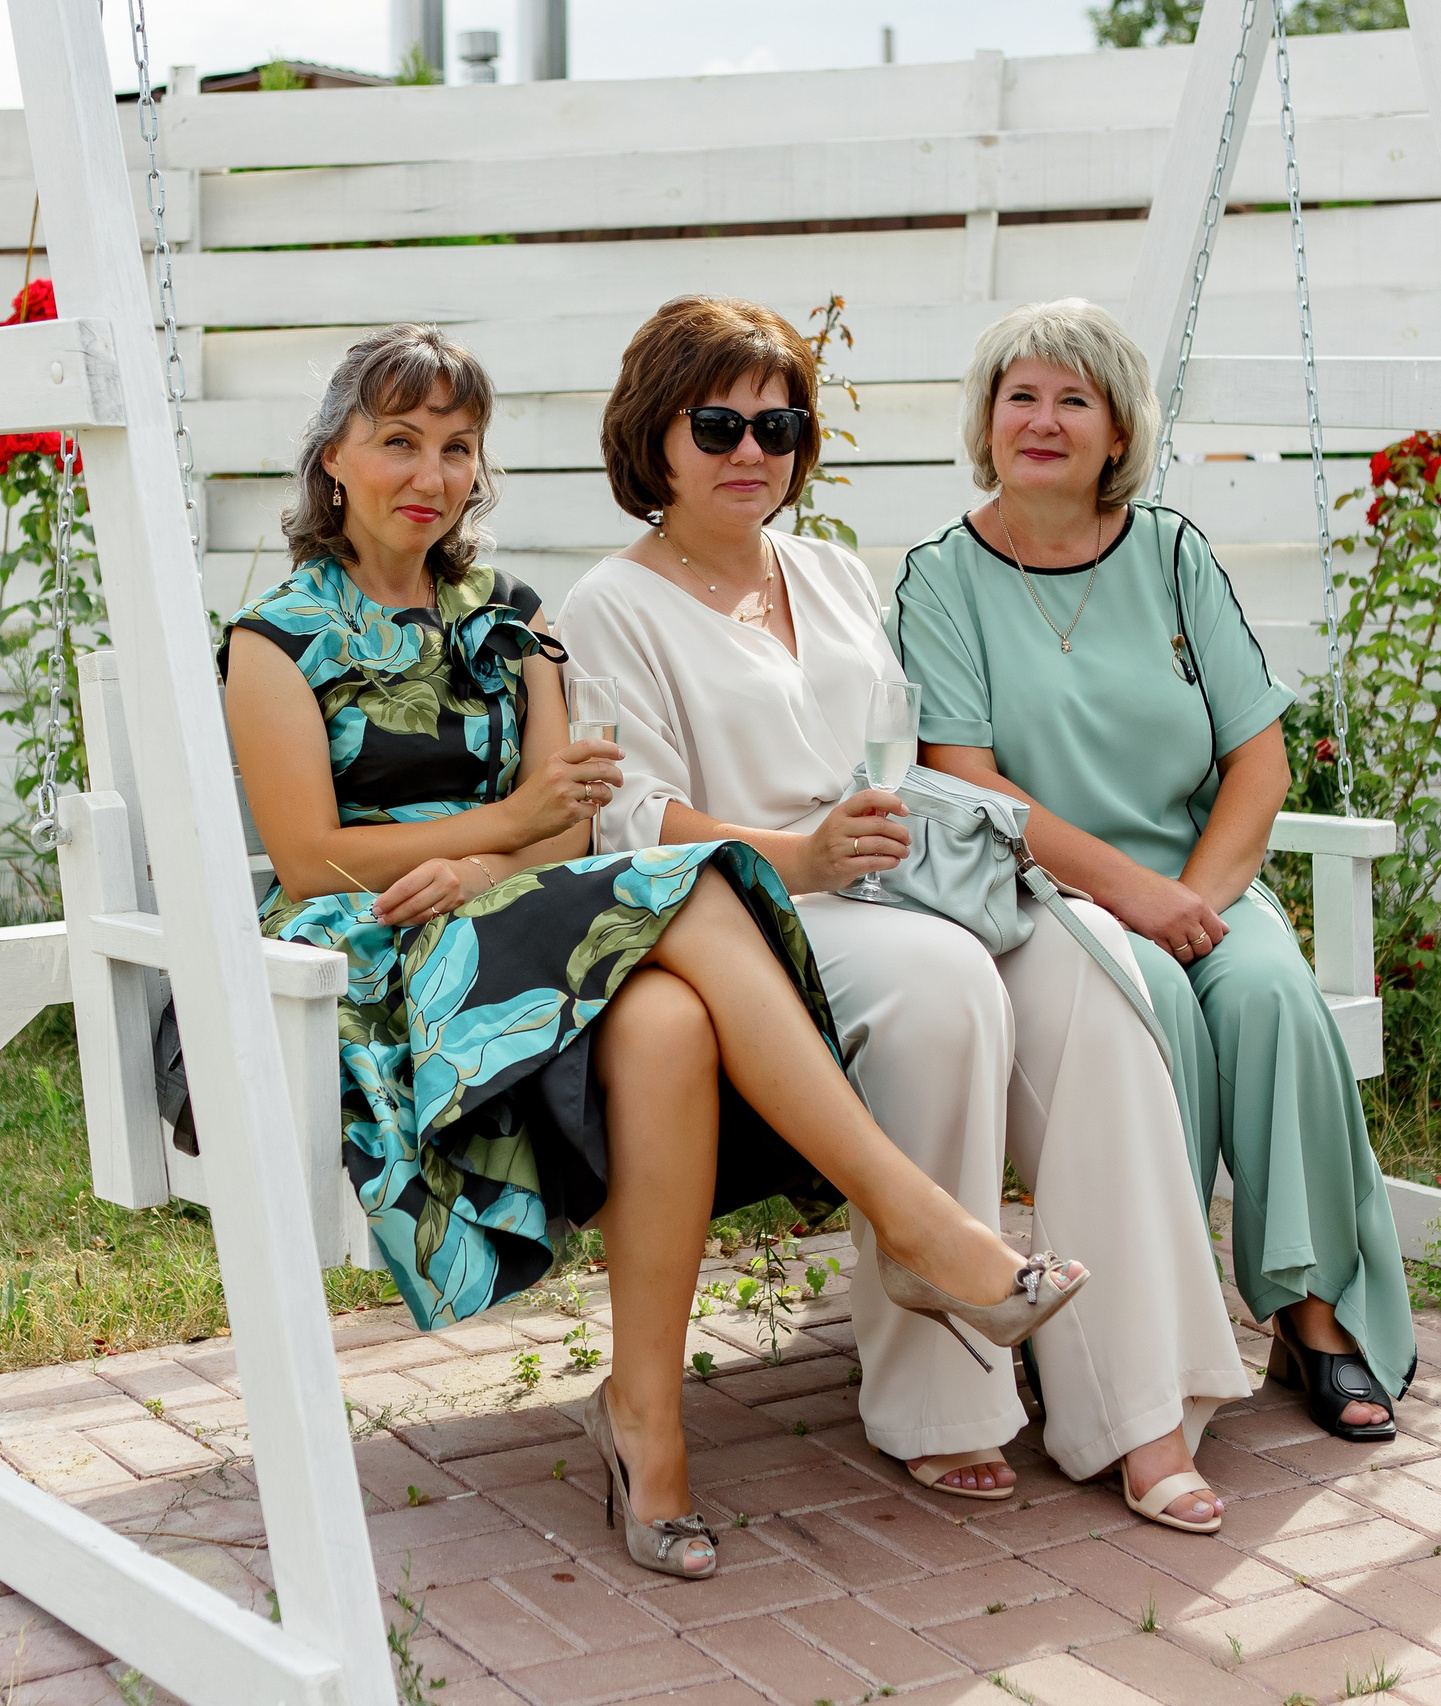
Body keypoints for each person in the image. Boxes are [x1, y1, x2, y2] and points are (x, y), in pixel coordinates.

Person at [223, 323, 1085, 1583]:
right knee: (698, 879)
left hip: (521, 912)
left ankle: (645, 1417)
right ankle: (914, 1223)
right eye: (398, 441)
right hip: (381, 946)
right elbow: (311, 858)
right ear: (333, 459)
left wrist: (500, 857)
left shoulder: (511, 622)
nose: (431, 473)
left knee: (672, 1018)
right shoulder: (273, 639)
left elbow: (570, 825)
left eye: (457, 447)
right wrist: (505, 833)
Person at [556, 297, 1246, 1532]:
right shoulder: (609, 603)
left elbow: (899, 753)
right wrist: (803, 852)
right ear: (653, 433)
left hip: (895, 876)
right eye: (717, 425)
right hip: (749, 906)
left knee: (1095, 967)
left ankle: (1138, 1404)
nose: (750, 451)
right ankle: (940, 1399)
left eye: (778, 426)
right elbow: (630, 820)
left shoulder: (828, 572)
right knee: (942, 984)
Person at [889, 296, 1416, 1441]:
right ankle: (1132, 1331)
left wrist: (1197, 901)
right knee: (1156, 1001)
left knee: (1270, 993)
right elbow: (968, 781)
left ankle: (1311, 1314)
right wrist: (1135, 901)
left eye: (1072, 400)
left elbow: (1258, 757)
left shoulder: (1172, 554)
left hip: (1196, 879)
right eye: (1020, 397)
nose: (1042, 420)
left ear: (1117, 430)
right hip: (1045, 896)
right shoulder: (941, 576)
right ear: (986, 419)